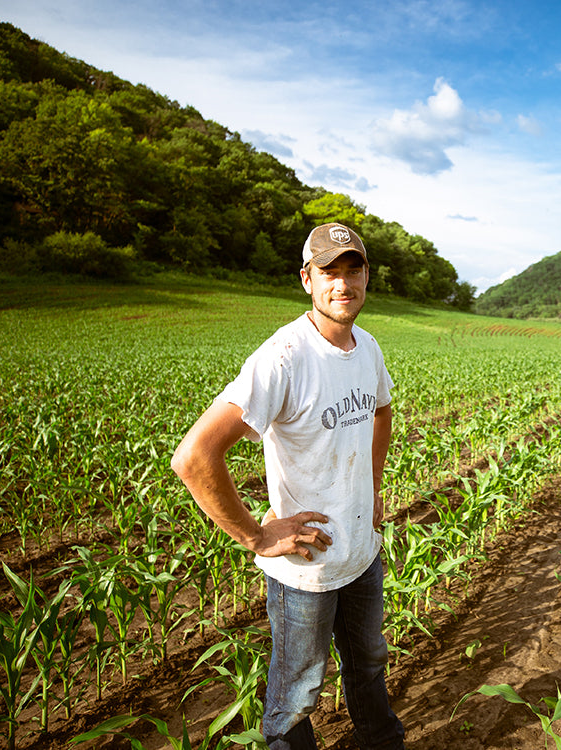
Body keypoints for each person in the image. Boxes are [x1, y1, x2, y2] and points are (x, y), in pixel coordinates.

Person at [171, 223, 406, 749]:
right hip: (305, 570)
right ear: (307, 279)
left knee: (369, 664)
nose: (342, 283)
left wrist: (372, 485)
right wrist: (257, 537)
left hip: (362, 555)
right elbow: (193, 456)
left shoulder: (367, 348)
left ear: (367, 276)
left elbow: (382, 409)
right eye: (329, 272)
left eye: (352, 270)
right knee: (297, 695)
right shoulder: (284, 357)